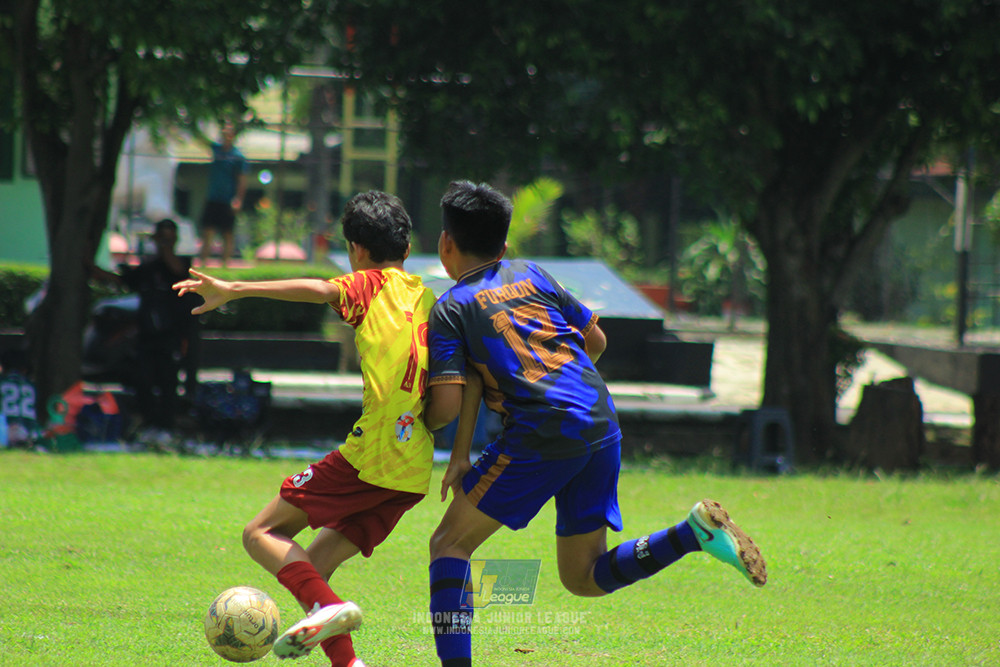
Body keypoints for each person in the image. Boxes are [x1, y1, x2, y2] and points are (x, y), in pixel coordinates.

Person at [423, 181, 768, 667]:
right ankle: (691, 534)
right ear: (504, 246)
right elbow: (597, 340)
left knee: (448, 543)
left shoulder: (451, 308)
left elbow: (449, 401)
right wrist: (467, 452)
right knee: (582, 577)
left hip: (542, 431)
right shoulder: (532, 273)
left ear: (445, 244)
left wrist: (410, 419)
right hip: (600, 419)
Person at [173, 190, 436, 666]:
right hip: (414, 465)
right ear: (406, 245)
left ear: (356, 249)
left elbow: (319, 289)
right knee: (311, 569)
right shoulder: (427, 298)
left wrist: (236, 289)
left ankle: (333, 609)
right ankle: (347, 663)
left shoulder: (369, 285)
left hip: (372, 455)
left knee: (260, 533)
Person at [92, 218, 199, 441]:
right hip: (148, 334)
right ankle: (151, 424)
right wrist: (92, 268)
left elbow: (177, 270)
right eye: (162, 236)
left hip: (172, 334)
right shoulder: (148, 268)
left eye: (169, 237)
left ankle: (166, 427)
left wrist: (164, 247)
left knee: (169, 382)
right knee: (143, 380)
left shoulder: (182, 263)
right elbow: (124, 280)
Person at [194, 121, 248, 267]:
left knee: (227, 233)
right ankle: (203, 264)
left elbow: (242, 179)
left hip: (227, 199)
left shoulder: (237, 156)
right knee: (208, 231)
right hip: (213, 197)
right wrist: (192, 123)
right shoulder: (216, 150)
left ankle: (225, 265)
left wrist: (238, 199)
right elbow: (200, 139)